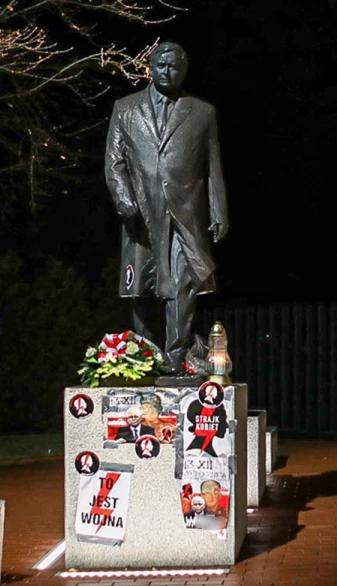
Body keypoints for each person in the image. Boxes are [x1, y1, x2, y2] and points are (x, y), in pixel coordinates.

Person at [105, 41, 229, 373]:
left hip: (185, 214)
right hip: (141, 217)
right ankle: (142, 358)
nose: (166, 71)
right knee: (141, 289)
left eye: (173, 66)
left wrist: (219, 212)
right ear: (150, 67)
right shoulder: (125, 109)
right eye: (160, 64)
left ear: (184, 69)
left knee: (182, 286)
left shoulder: (202, 112)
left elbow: (212, 168)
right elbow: (114, 163)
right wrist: (123, 197)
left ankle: (176, 357)